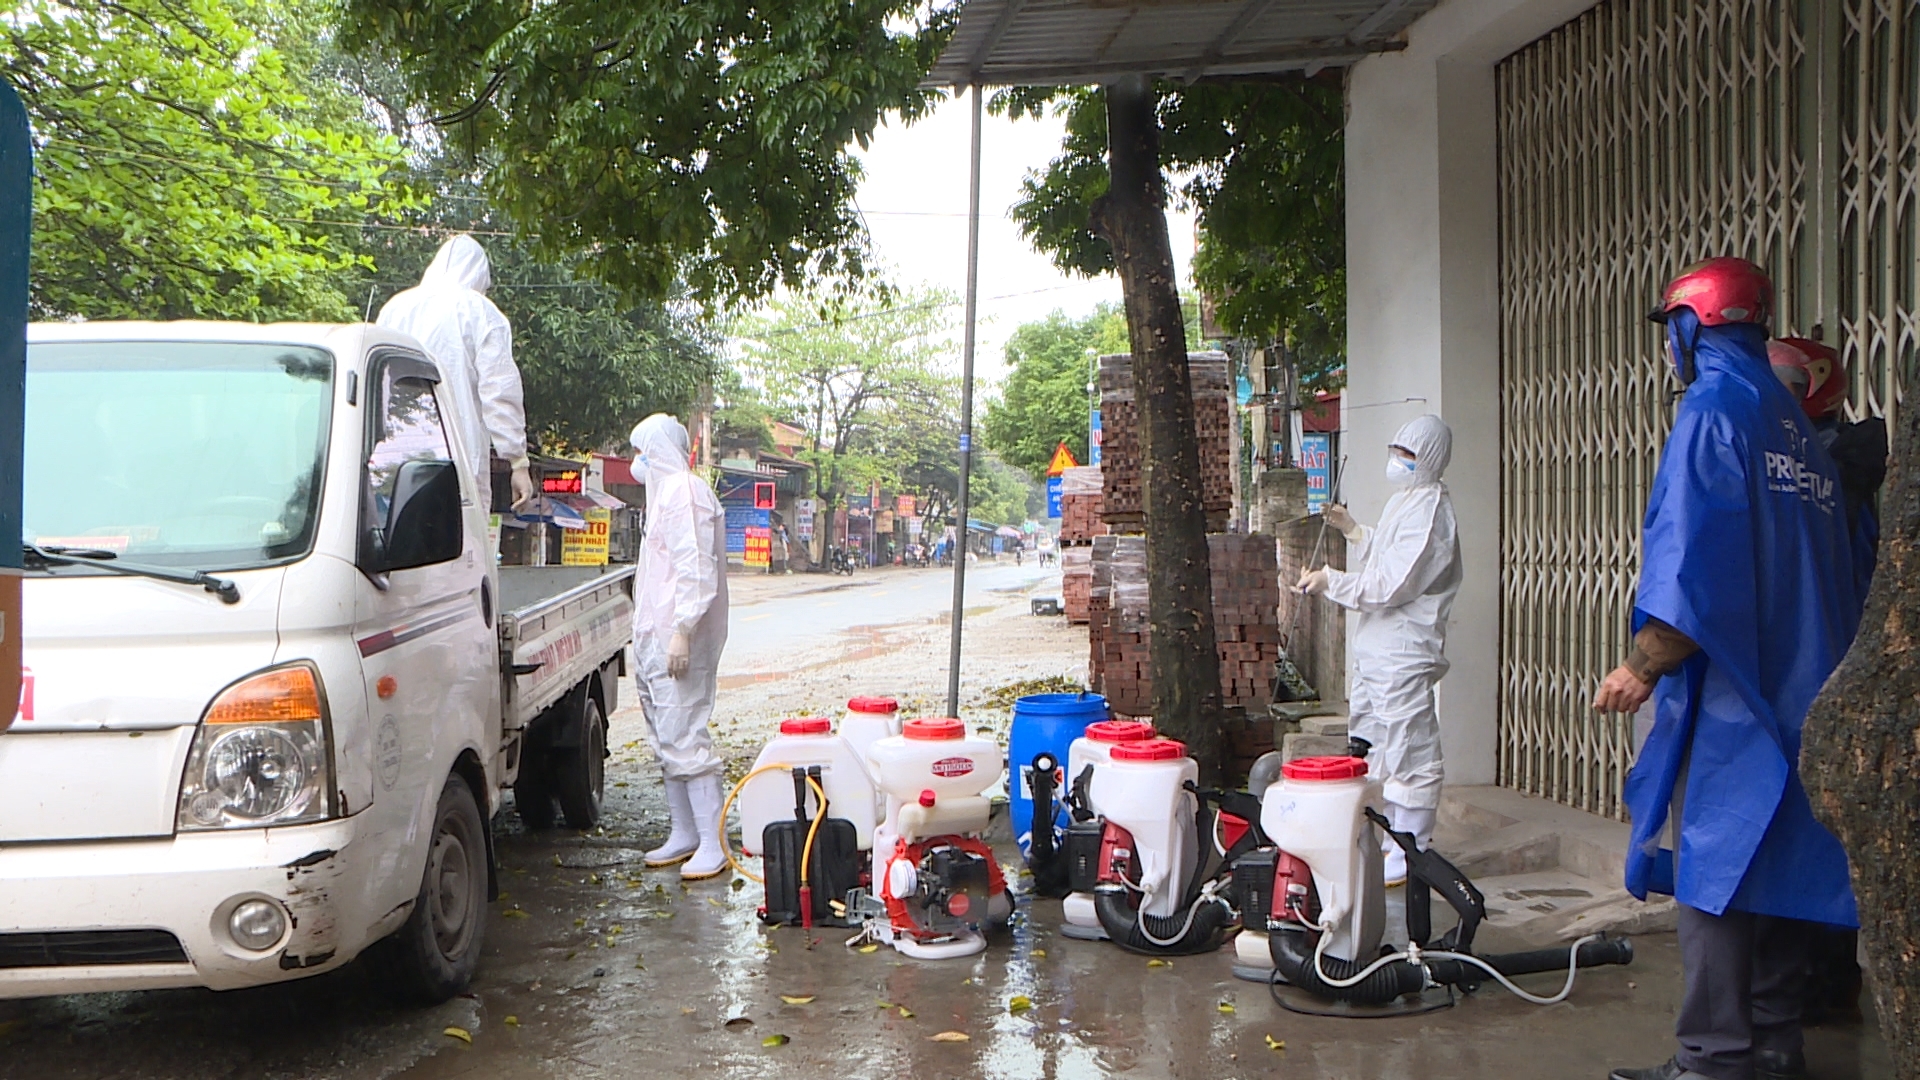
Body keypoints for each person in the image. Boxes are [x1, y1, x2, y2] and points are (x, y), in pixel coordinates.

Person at [1598, 258, 1858, 1080]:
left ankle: (1713, 1056)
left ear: (1691, 326)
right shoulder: (1790, 419)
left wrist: (1644, 663)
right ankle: (1776, 1043)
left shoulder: (1712, 411)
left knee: (1714, 872)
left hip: (1738, 692)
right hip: (1806, 682)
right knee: (1782, 864)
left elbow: (1693, 559)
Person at [1297, 414, 1462, 886]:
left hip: (1405, 651)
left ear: (1429, 459)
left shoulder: (1432, 514)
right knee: (1373, 742)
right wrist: (1353, 531)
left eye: (1407, 455)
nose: (1398, 461)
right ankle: (1380, 834)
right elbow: (1385, 554)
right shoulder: (1405, 501)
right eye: (1396, 450)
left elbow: (1393, 582)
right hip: (1378, 650)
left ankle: (1411, 849)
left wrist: (1334, 581)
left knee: (1410, 748)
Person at [629, 414, 732, 881]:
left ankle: (713, 843)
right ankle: (685, 833)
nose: (638, 463)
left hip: (678, 639)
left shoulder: (685, 494)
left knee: (686, 735)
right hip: (656, 637)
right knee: (666, 736)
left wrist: (682, 629)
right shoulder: (661, 498)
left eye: (642, 451)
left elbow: (696, 568)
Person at [376, 235, 533, 510]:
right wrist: (517, 461)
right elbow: (499, 392)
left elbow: (377, 383)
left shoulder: (394, 309)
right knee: (462, 545)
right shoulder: (482, 312)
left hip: (393, 459)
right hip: (460, 460)